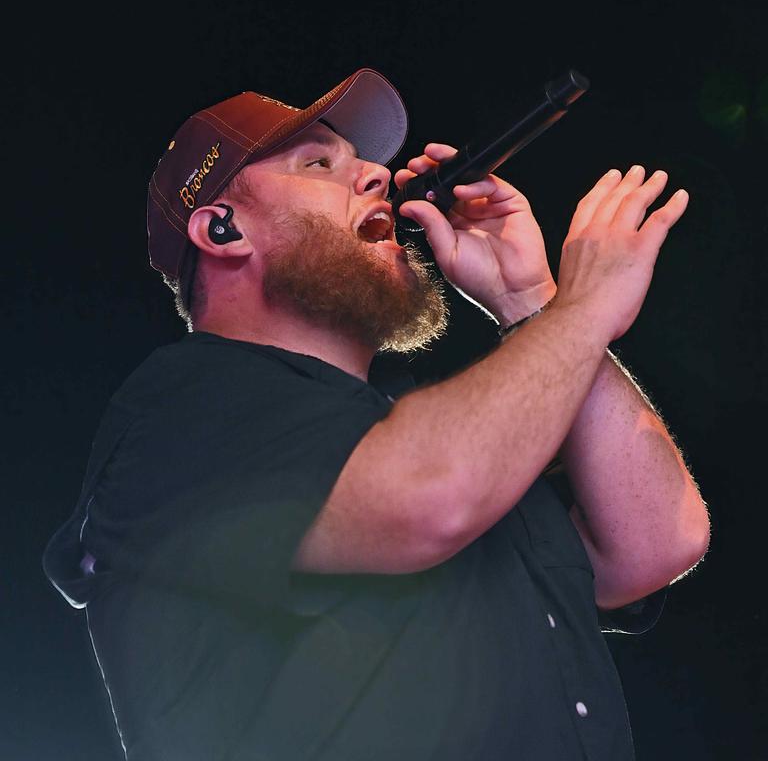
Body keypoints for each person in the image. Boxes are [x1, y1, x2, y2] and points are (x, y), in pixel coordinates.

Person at [43, 67, 710, 761]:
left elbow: (657, 543)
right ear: (223, 228)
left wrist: (532, 300)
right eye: (320, 164)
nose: (375, 176)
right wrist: (586, 308)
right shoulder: (176, 417)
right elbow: (431, 495)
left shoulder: (441, 433)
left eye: (364, 162)